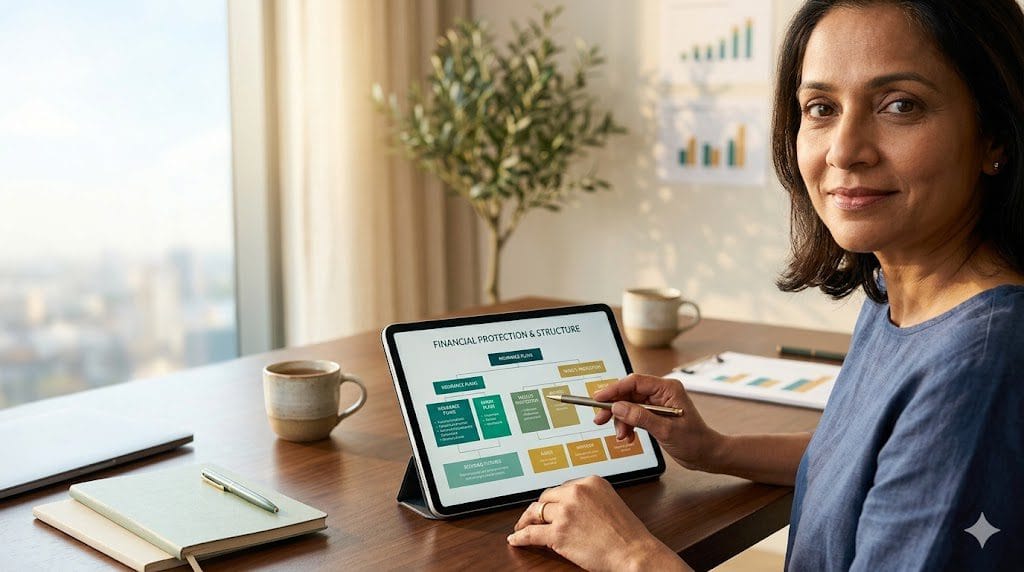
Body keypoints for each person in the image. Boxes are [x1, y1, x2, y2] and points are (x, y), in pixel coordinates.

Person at [506, 1, 1024, 570]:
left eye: (900, 105)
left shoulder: (978, 364)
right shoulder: (899, 292)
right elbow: (885, 468)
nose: (844, 150)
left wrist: (629, 555)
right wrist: (715, 450)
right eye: (821, 108)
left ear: (995, 136)